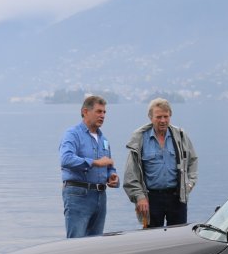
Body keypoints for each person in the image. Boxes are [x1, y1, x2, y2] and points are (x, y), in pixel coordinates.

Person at [123, 98, 199, 228]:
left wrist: (190, 183)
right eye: (158, 117)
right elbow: (131, 173)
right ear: (150, 118)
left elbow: (192, 160)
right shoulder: (140, 139)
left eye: (166, 116)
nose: (163, 120)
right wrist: (139, 197)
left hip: (177, 198)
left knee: (178, 236)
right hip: (151, 198)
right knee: (152, 238)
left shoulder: (180, 136)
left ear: (170, 116)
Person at [59, 94, 119, 238]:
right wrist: (94, 162)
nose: (102, 115)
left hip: (100, 196)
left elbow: (108, 164)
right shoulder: (72, 134)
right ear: (85, 112)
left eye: (104, 112)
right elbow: (66, 159)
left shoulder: (104, 140)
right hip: (78, 195)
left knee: (96, 243)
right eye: (98, 111)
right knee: (76, 243)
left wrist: (112, 176)